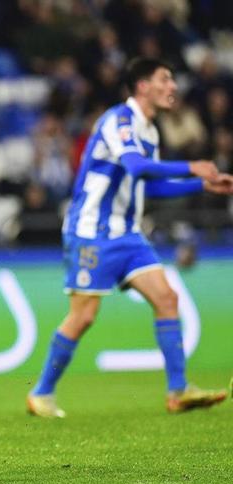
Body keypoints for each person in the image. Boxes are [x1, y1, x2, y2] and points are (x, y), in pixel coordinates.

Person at [27, 58, 233, 418]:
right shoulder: (117, 121)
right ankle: (41, 393)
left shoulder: (150, 131)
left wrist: (201, 184)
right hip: (91, 231)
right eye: (165, 79)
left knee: (167, 297)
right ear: (142, 85)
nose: (173, 87)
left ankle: (178, 391)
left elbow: (147, 185)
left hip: (129, 234)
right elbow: (137, 166)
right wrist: (191, 166)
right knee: (84, 316)